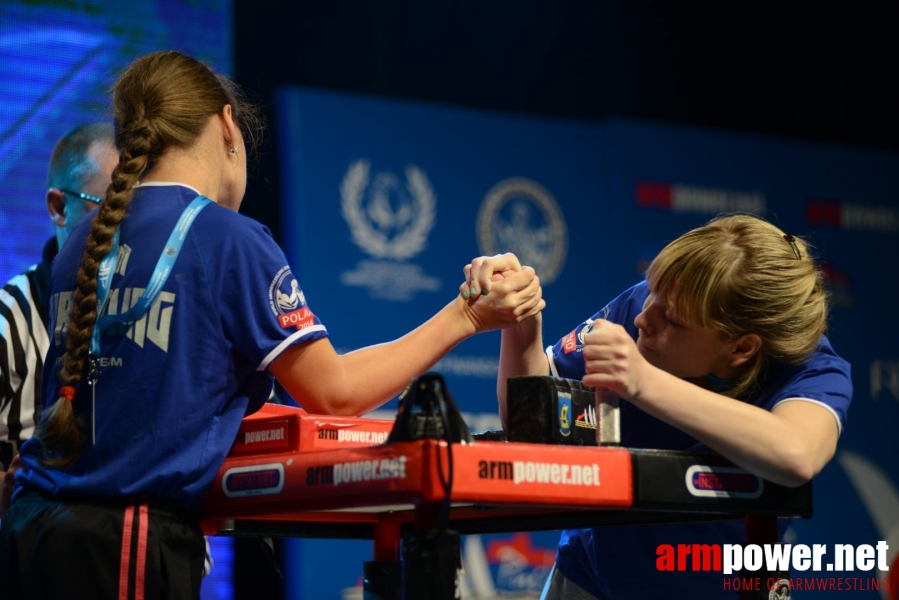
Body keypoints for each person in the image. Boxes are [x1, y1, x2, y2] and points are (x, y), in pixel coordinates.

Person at [0, 50, 545, 600]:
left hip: (28, 531)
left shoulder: (79, 243)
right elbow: (335, 393)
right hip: (121, 546)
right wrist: (467, 315)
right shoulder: (227, 238)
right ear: (227, 124)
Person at [464, 214, 852, 599]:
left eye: (673, 320)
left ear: (741, 348)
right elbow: (534, 423)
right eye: (651, 291)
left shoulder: (812, 370)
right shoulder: (650, 306)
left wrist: (643, 382)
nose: (641, 318)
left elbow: (796, 453)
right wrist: (521, 327)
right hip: (590, 578)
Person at [0, 123, 117, 486]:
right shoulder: (12, 313)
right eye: (111, 207)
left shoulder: (152, 306)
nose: (127, 224)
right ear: (58, 208)